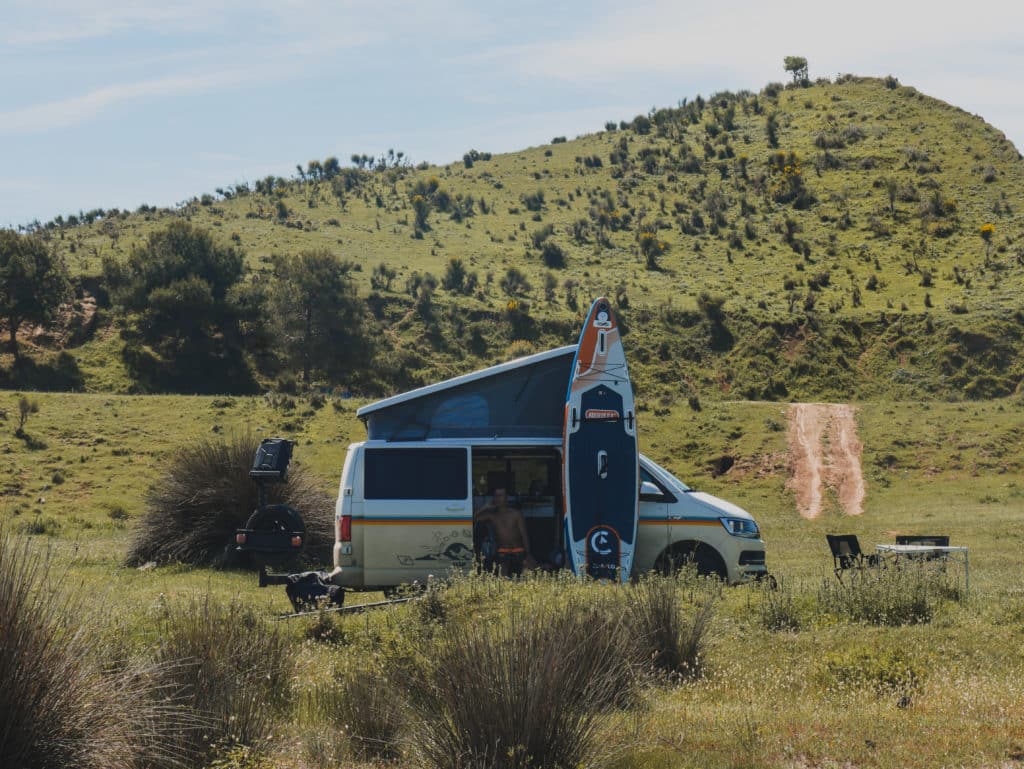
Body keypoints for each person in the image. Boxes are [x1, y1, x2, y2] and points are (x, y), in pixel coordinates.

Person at [474, 487, 536, 576]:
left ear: (506, 497)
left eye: (501, 495)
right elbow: (473, 519)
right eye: (496, 496)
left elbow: (524, 535)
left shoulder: (516, 514)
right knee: (502, 576)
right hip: (502, 552)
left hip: (519, 550)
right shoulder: (491, 515)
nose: (498, 498)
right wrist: (485, 507)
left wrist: (528, 554)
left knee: (532, 571)